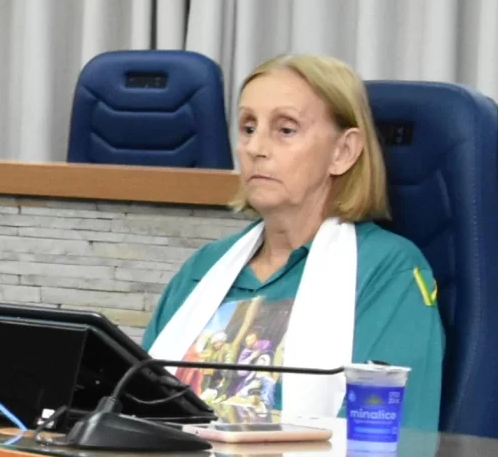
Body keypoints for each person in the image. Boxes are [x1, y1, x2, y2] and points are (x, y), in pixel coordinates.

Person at [143, 54, 444, 428]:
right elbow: (133, 402)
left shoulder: (389, 271)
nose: (256, 147)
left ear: (343, 152)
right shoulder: (203, 267)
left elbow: (385, 438)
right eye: (248, 127)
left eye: (285, 130)